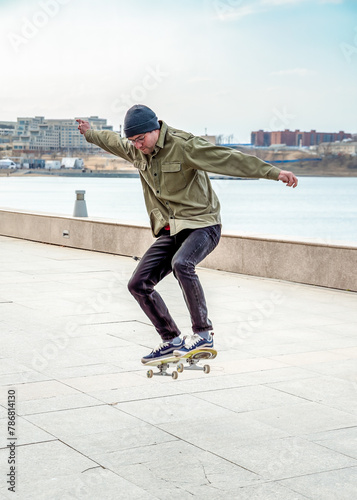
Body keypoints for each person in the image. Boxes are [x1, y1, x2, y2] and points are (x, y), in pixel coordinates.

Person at [77, 105, 298, 364]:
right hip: (173, 229)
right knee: (138, 284)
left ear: (155, 130)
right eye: (133, 141)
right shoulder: (134, 149)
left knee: (182, 263)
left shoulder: (184, 145)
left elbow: (227, 158)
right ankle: (171, 340)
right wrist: (90, 133)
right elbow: (112, 141)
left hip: (204, 224)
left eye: (141, 139)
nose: (137, 146)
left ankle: (203, 334)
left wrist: (273, 172)